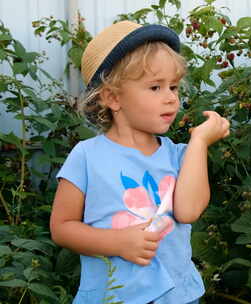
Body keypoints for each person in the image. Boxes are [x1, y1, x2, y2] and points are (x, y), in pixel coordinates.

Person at [49, 20, 229, 304]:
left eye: (174, 87)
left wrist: (199, 143)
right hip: (114, 296)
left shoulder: (181, 155)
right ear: (112, 97)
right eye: (156, 87)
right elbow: (62, 227)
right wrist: (117, 243)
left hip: (177, 297)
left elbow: (189, 211)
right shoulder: (87, 156)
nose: (171, 98)